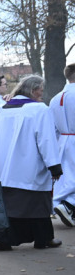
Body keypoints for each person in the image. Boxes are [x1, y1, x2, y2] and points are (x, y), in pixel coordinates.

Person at [0, 75, 63, 250]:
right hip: (29, 165)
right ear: (33, 89)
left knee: (10, 205)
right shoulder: (39, 110)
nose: (42, 95)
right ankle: (43, 238)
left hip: (5, 167)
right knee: (38, 203)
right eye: (41, 91)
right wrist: (54, 166)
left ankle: (2, 237)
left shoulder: (3, 108)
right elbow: (46, 140)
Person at [49, 64, 75, 226]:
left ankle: (65, 205)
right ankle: (67, 204)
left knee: (67, 177)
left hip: (62, 140)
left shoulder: (55, 97)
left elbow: (52, 125)